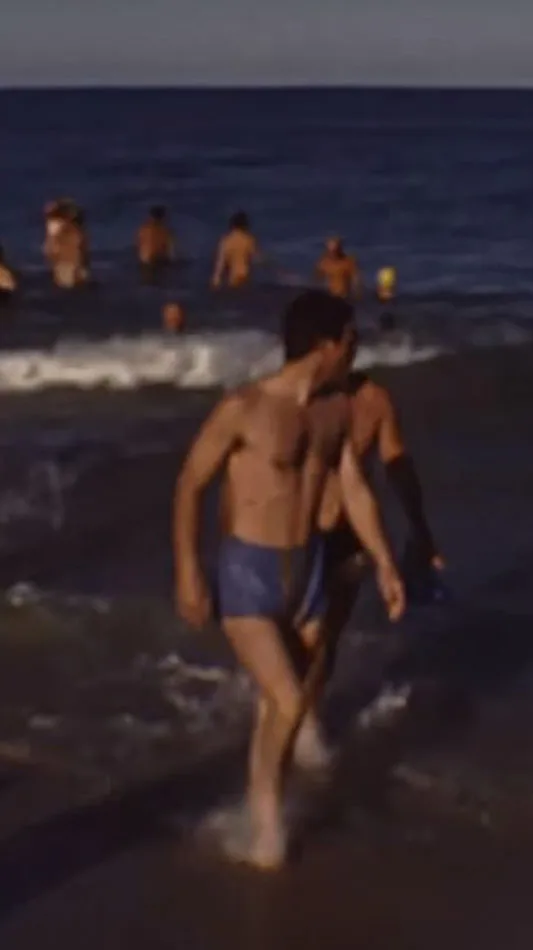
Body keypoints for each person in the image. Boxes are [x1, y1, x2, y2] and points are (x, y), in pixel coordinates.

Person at [172, 289, 406, 870]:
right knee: (287, 697)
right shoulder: (245, 407)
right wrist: (188, 569)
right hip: (248, 568)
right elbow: (189, 484)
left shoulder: (334, 412)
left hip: (307, 570)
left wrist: (385, 561)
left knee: (284, 702)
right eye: (350, 340)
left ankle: (261, 806)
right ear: (324, 346)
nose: (357, 350)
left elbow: (353, 488)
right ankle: (266, 828)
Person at [293, 366, 445, 764]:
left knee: (329, 636)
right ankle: (294, 716)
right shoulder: (297, 398)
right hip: (304, 532)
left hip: (352, 533)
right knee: (308, 635)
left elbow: (398, 466)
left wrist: (420, 529)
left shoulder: (374, 400)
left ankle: (308, 716)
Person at [211, 211, 258, 289]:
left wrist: (216, 280)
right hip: (246, 277)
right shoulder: (249, 239)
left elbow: (220, 263)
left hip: (233, 279)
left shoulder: (226, 241)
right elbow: (256, 259)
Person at [137, 205, 176, 273]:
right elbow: (170, 251)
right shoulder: (166, 230)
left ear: (150, 216)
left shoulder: (143, 229)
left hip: (145, 261)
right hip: (159, 261)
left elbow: (139, 245)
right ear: (163, 217)